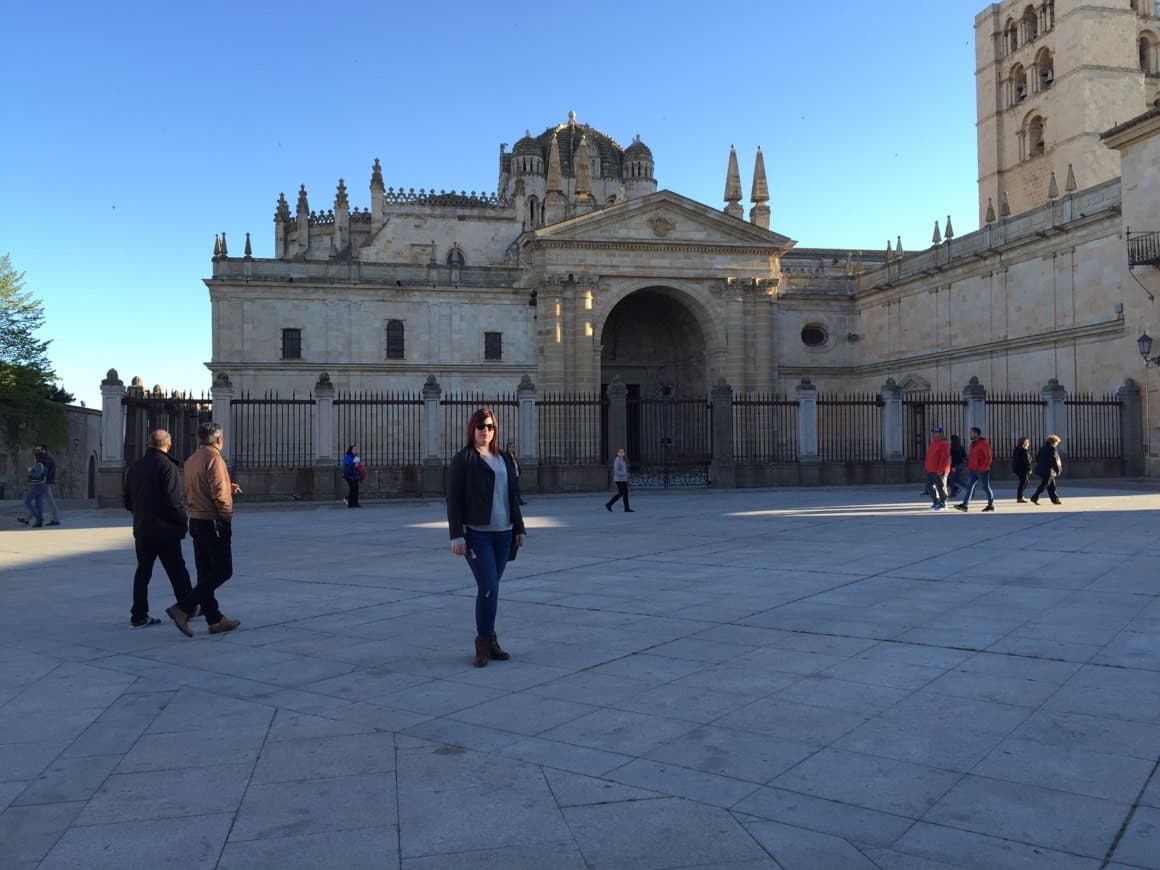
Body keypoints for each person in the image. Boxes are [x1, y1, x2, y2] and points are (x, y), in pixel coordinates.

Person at [446, 408, 526, 668]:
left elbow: (512, 495)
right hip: (476, 533)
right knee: (489, 586)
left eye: (490, 426)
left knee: (491, 589)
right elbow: (453, 499)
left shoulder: (503, 458)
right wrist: (456, 535)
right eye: (481, 426)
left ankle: (490, 641)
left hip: (503, 533)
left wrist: (519, 528)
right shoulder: (464, 459)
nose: (486, 431)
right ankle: (483, 643)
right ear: (472, 429)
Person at [165, 422, 242, 637]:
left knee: (205, 572)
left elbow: (197, 488)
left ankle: (214, 619)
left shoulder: (192, 460)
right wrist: (226, 520)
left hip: (196, 520)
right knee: (223, 570)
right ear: (218, 439)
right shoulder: (214, 458)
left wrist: (228, 487)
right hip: (212, 521)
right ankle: (183, 608)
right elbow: (218, 494)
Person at [123, 429, 195, 628]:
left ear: (148, 444)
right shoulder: (168, 467)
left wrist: (142, 515)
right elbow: (174, 501)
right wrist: (182, 522)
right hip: (165, 530)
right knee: (177, 571)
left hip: (143, 529)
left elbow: (128, 501)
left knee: (143, 572)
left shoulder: (135, 467)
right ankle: (187, 607)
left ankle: (138, 615)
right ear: (169, 445)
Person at [955, 426, 995, 512]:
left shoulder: (983, 443)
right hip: (973, 470)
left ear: (976, 434)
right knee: (969, 487)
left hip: (982, 470)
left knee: (986, 487)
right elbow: (971, 457)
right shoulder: (972, 445)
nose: (970, 434)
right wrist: (969, 467)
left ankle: (991, 505)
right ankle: (965, 505)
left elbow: (988, 457)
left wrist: (982, 468)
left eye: (971, 433)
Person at [16, 449, 48, 528]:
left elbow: (37, 475)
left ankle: (39, 518)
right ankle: (39, 523)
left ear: (37, 457)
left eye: (34, 456)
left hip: (36, 487)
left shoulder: (38, 465)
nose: (33, 457)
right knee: (39, 504)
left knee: (27, 502)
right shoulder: (43, 465)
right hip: (42, 486)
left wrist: (30, 470)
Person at [1030, 434, 1064, 505]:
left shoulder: (1043, 448)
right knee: (1045, 484)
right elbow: (1054, 461)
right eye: (1057, 443)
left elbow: (1037, 458)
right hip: (1049, 470)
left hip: (1042, 469)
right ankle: (1034, 497)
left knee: (1051, 485)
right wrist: (1057, 470)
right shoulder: (1052, 449)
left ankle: (1055, 499)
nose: (1057, 444)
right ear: (1054, 442)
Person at [924, 427, 951, 510]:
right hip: (930, 469)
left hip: (939, 470)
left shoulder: (944, 443)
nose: (934, 434)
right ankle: (936, 501)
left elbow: (945, 457)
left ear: (940, 434)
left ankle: (944, 502)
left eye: (936, 432)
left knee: (941, 486)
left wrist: (941, 469)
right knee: (929, 486)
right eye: (933, 432)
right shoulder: (933, 443)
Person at [35, 444, 61, 526]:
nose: (39, 451)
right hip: (45, 482)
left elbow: (45, 471)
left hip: (46, 483)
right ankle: (27, 518)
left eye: (41, 450)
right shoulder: (46, 458)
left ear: (44, 450)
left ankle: (56, 519)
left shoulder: (47, 459)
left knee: (50, 502)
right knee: (38, 501)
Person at [605, 448, 633, 512]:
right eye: (620, 452)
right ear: (618, 453)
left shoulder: (622, 460)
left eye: (623, 452)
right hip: (619, 480)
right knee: (621, 493)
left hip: (623, 479)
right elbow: (616, 471)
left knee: (625, 493)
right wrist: (625, 474)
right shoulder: (617, 460)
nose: (622, 453)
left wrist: (625, 475)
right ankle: (609, 504)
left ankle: (626, 508)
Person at [1012, 436, 1034, 502]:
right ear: (1024, 443)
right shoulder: (1023, 450)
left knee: (1025, 482)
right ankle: (1020, 497)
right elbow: (1026, 460)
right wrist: (1029, 469)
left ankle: (1021, 496)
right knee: (1023, 482)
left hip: (1018, 468)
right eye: (1027, 442)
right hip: (1022, 469)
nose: (1028, 443)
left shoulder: (1017, 448)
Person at [505, 441, 527, 505]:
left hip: (516, 474)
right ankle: (517, 501)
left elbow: (516, 464)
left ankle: (519, 501)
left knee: (517, 489)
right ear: (508, 448)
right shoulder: (507, 456)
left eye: (513, 447)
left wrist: (519, 471)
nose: (512, 448)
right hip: (512, 475)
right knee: (514, 489)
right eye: (511, 447)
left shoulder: (513, 455)